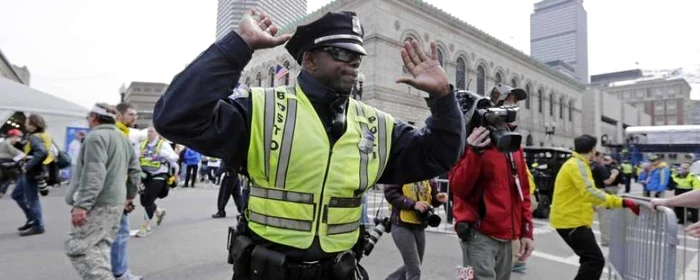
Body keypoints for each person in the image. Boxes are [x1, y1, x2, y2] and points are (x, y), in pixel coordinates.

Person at [153, 9, 463, 279]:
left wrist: (443, 99)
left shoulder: (376, 124)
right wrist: (238, 47)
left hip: (340, 270)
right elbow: (175, 116)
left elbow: (439, 155)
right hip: (266, 271)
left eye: (357, 54)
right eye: (342, 53)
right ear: (310, 60)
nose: (354, 61)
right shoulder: (260, 110)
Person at [449, 84, 534, 280]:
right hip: (479, 236)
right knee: (469, 277)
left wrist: (527, 231)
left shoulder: (514, 145)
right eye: (507, 102)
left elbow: (523, 192)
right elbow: (458, 187)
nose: (512, 108)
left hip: (507, 237)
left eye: (515, 103)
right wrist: (474, 153)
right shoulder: (472, 140)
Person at [64, 104, 141, 279]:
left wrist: (82, 205)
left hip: (99, 203)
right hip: (115, 202)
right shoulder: (122, 138)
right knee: (100, 247)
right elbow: (135, 170)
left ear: (93, 117)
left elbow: (94, 174)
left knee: (80, 248)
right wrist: (130, 196)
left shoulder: (95, 137)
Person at [550, 135, 640, 280]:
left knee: (589, 260)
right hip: (571, 222)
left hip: (573, 220)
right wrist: (622, 202)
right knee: (595, 260)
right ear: (592, 150)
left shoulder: (576, 163)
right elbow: (590, 192)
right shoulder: (577, 165)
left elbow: (583, 193)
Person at [384, 179, 448, 280]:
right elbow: (390, 193)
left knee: (414, 265)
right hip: (401, 225)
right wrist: (413, 204)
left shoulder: (427, 171)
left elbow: (433, 193)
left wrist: (438, 197)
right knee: (414, 270)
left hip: (419, 225)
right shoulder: (400, 169)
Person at [112, 102, 142, 280]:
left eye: (136, 115)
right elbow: (128, 167)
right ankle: (119, 272)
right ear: (119, 115)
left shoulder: (122, 133)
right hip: (118, 191)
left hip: (116, 189)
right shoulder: (119, 134)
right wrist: (129, 195)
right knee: (120, 232)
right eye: (131, 114)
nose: (134, 118)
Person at [12, 114, 54, 236]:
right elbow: (32, 151)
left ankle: (38, 225)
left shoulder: (35, 137)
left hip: (32, 171)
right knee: (17, 194)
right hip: (36, 170)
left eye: (27, 122)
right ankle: (32, 219)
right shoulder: (42, 135)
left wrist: (27, 165)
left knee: (32, 199)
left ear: (34, 125)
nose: (25, 124)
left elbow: (40, 152)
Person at [135, 126, 178, 237]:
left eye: (151, 131)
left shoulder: (163, 144)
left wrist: (166, 155)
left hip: (159, 175)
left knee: (148, 200)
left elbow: (175, 158)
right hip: (144, 176)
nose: (149, 133)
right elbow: (134, 158)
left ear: (157, 133)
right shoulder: (142, 145)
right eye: (148, 131)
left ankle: (146, 226)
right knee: (144, 202)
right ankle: (159, 212)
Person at [590, 153, 620, 247]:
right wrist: (614, 174)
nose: (603, 160)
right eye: (602, 158)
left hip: (587, 192)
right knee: (604, 218)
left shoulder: (588, 166)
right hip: (598, 192)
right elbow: (607, 181)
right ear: (597, 157)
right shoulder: (600, 167)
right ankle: (606, 240)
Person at [0, 129, 24, 198]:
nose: (18, 140)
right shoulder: (8, 143)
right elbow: (18, 153)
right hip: (6, 162)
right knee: (13, 176)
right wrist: (16, 159)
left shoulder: (4, 142)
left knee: (4, 178)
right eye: (17, 137)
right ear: (13, 136)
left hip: (3, 161)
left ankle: (1, 191)